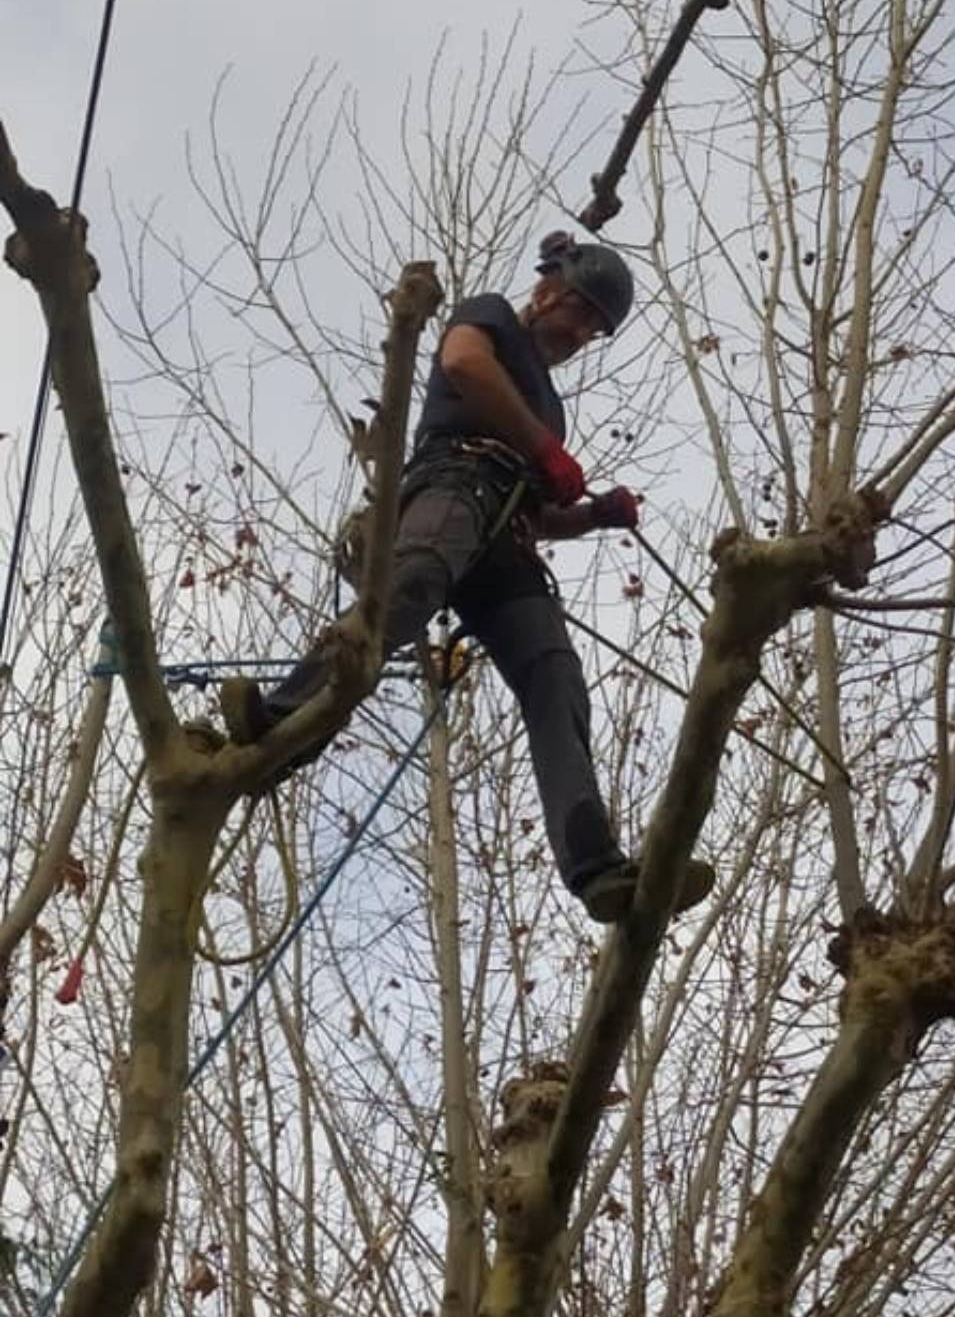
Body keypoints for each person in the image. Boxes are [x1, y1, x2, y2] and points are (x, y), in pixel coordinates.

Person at [219, 231, 714, 925]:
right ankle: (276, 722)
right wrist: (543, 447)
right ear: (548, 289)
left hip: (506, 538)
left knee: (555, 677)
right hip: (454, 481)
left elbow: (540, 516)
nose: (580, 334)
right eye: (579, 314)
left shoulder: (550, 405)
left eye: (593, 329)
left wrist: (594, 514)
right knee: (411, 588)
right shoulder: (491, 319)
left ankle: (597, 868)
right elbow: (463, 364)